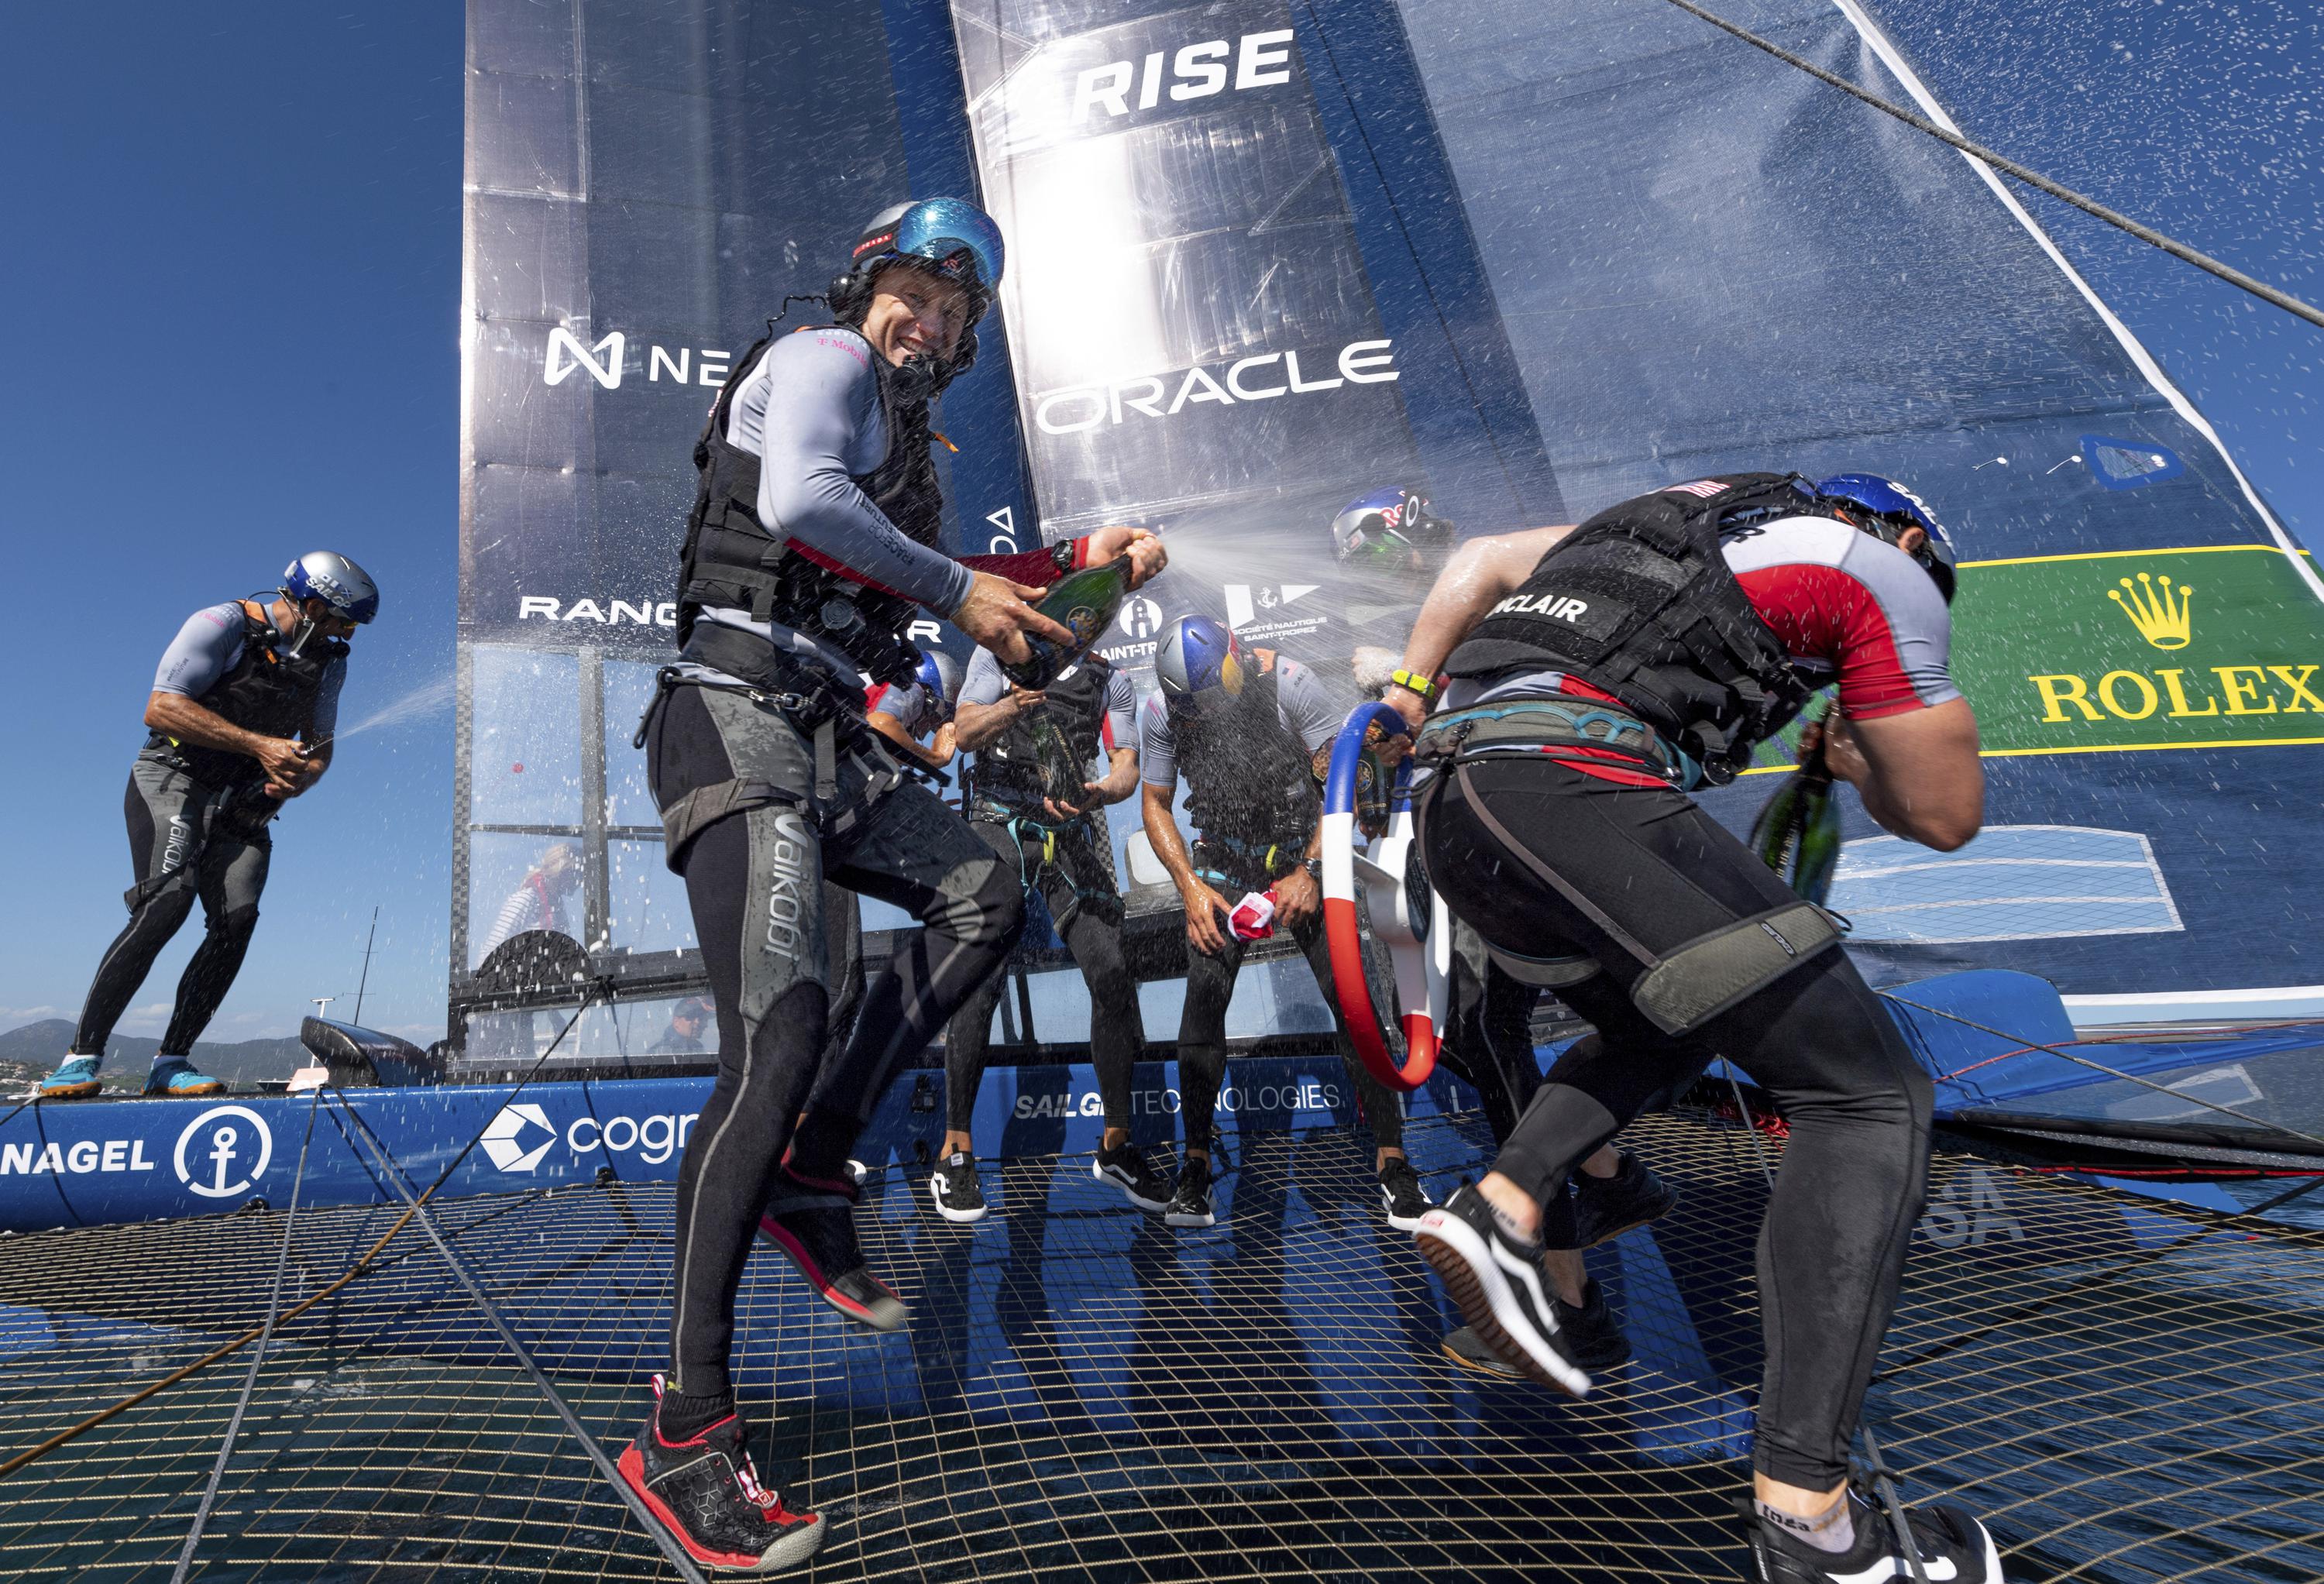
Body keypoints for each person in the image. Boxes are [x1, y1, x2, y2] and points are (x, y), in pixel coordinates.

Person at [620, 195, 1164, 1574]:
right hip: (732, 716)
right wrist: (967, 594)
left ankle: (818, 1164)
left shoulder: (907, 447)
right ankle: (683, 1429)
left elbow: (947, 598)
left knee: (985, 886)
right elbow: (799, 501)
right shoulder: (826, 362)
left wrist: (1073, 575)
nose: (927, 318)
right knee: (779, 1033)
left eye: (954, 307)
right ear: (866, 288)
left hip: (824, 739)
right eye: (911, 290)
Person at [1386, 472, 1999, 1582]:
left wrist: (1405, 690)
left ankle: (1505, 1203)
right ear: (1907, 535)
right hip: (1570, 777)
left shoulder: (1672, 520)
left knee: (1673, 1012)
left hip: (1456, 804)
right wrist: (1861, 763)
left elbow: (1475, 559)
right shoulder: (1887, 571)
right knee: (1868, 1096)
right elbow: (1947, 814)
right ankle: (1815, 1528)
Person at [1346, 648, 1670, 1381]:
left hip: (1519, 841)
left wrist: (1407, 696)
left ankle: (1571, 1305)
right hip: (1498, 849)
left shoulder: (1478, 658)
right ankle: (1612, 1177)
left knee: (1498, 1045)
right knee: (1473, 1042)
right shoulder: (1448, 682)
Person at [42, 555, 377, 1101]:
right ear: (313, 604)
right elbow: (162, 708)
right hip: (174, 777)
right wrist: (260, 745)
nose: (348, 635)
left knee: (237, 921)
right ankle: (80, 1057)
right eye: (344, 621)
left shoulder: (329, 663)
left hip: (241, 799)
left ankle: (171, 1062)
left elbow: (321, 744)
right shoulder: (221, 625)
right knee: (170, 898)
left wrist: (295, 780)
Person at [1137, 615, 1425, 1232]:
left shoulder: (1291, 681)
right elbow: (1154, 803)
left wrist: (1312, 872)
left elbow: (1339, 787)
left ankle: (1393, 1160)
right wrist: (1190, 887)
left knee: (1351, 999)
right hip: (1225, 861)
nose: (1207, 712)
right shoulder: (1162, 712)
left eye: (1215, 696)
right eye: (1196, 705)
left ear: (1236, 661)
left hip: (1305, 853)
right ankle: (1194, 1164)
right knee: (1203, 998)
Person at [932, 642, 1165, 1222]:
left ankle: (1115, 1144)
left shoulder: (1108, 677)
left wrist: (1099, 793)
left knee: (1112, 970)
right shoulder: (995, 655)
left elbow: (1127, 765)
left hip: (1068, 825)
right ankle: (956, 1148)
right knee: (981, 974)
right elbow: (963, 732)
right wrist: (1014, 704)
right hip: (996, 818)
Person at [648, 996, 713, 1057]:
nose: (698, 1022)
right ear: (676, 1022)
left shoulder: (696, 1046)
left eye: (702, 1018)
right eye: (691, 1016)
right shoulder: (661, 1051)